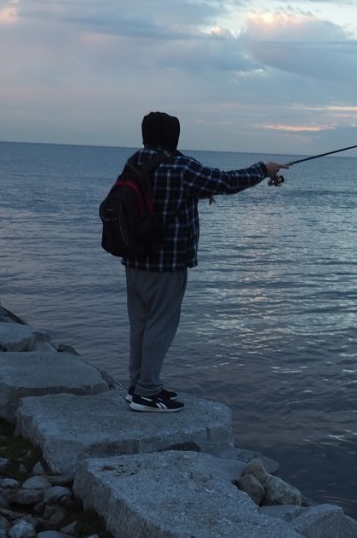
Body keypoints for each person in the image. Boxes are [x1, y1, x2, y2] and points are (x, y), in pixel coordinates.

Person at [121, 111, 287, 413]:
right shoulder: (181, 166)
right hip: (166, 263)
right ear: (173, 136)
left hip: (134, 260)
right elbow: (227, 181)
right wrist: (264, 168)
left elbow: (161, 195)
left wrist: (196, 194)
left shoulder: (135, 162)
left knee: (140, 326)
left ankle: (139, 385)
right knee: (160, 326)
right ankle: (146, 392)